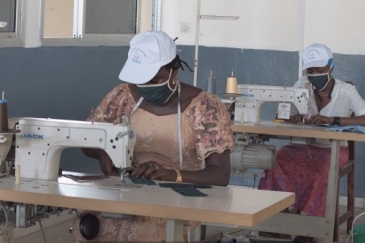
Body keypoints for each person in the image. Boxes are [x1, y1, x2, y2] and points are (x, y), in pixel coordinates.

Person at [74, 30, 235, 242]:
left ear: (173, 69)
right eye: (141, 79)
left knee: (145, 231)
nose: (147, 86)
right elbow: (86, 140)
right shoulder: (122, 97)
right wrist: (102, 154)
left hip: (177, 198)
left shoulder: (205, 107)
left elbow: (220, 175)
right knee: (87, 224)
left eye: (154, 78)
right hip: (124, 193)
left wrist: (173, 175)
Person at [258, 43, 365, 241]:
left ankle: (308, 230)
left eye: (320, 70)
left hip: (332, 150)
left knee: (321, 173)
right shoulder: (302, 85)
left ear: (331, 67)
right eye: (311, 70)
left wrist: (333, 120)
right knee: (274, 163)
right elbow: (282, 114)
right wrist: (292, 118)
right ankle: (272, 223)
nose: (314, 74)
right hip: (301, 147)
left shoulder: (346, 91)